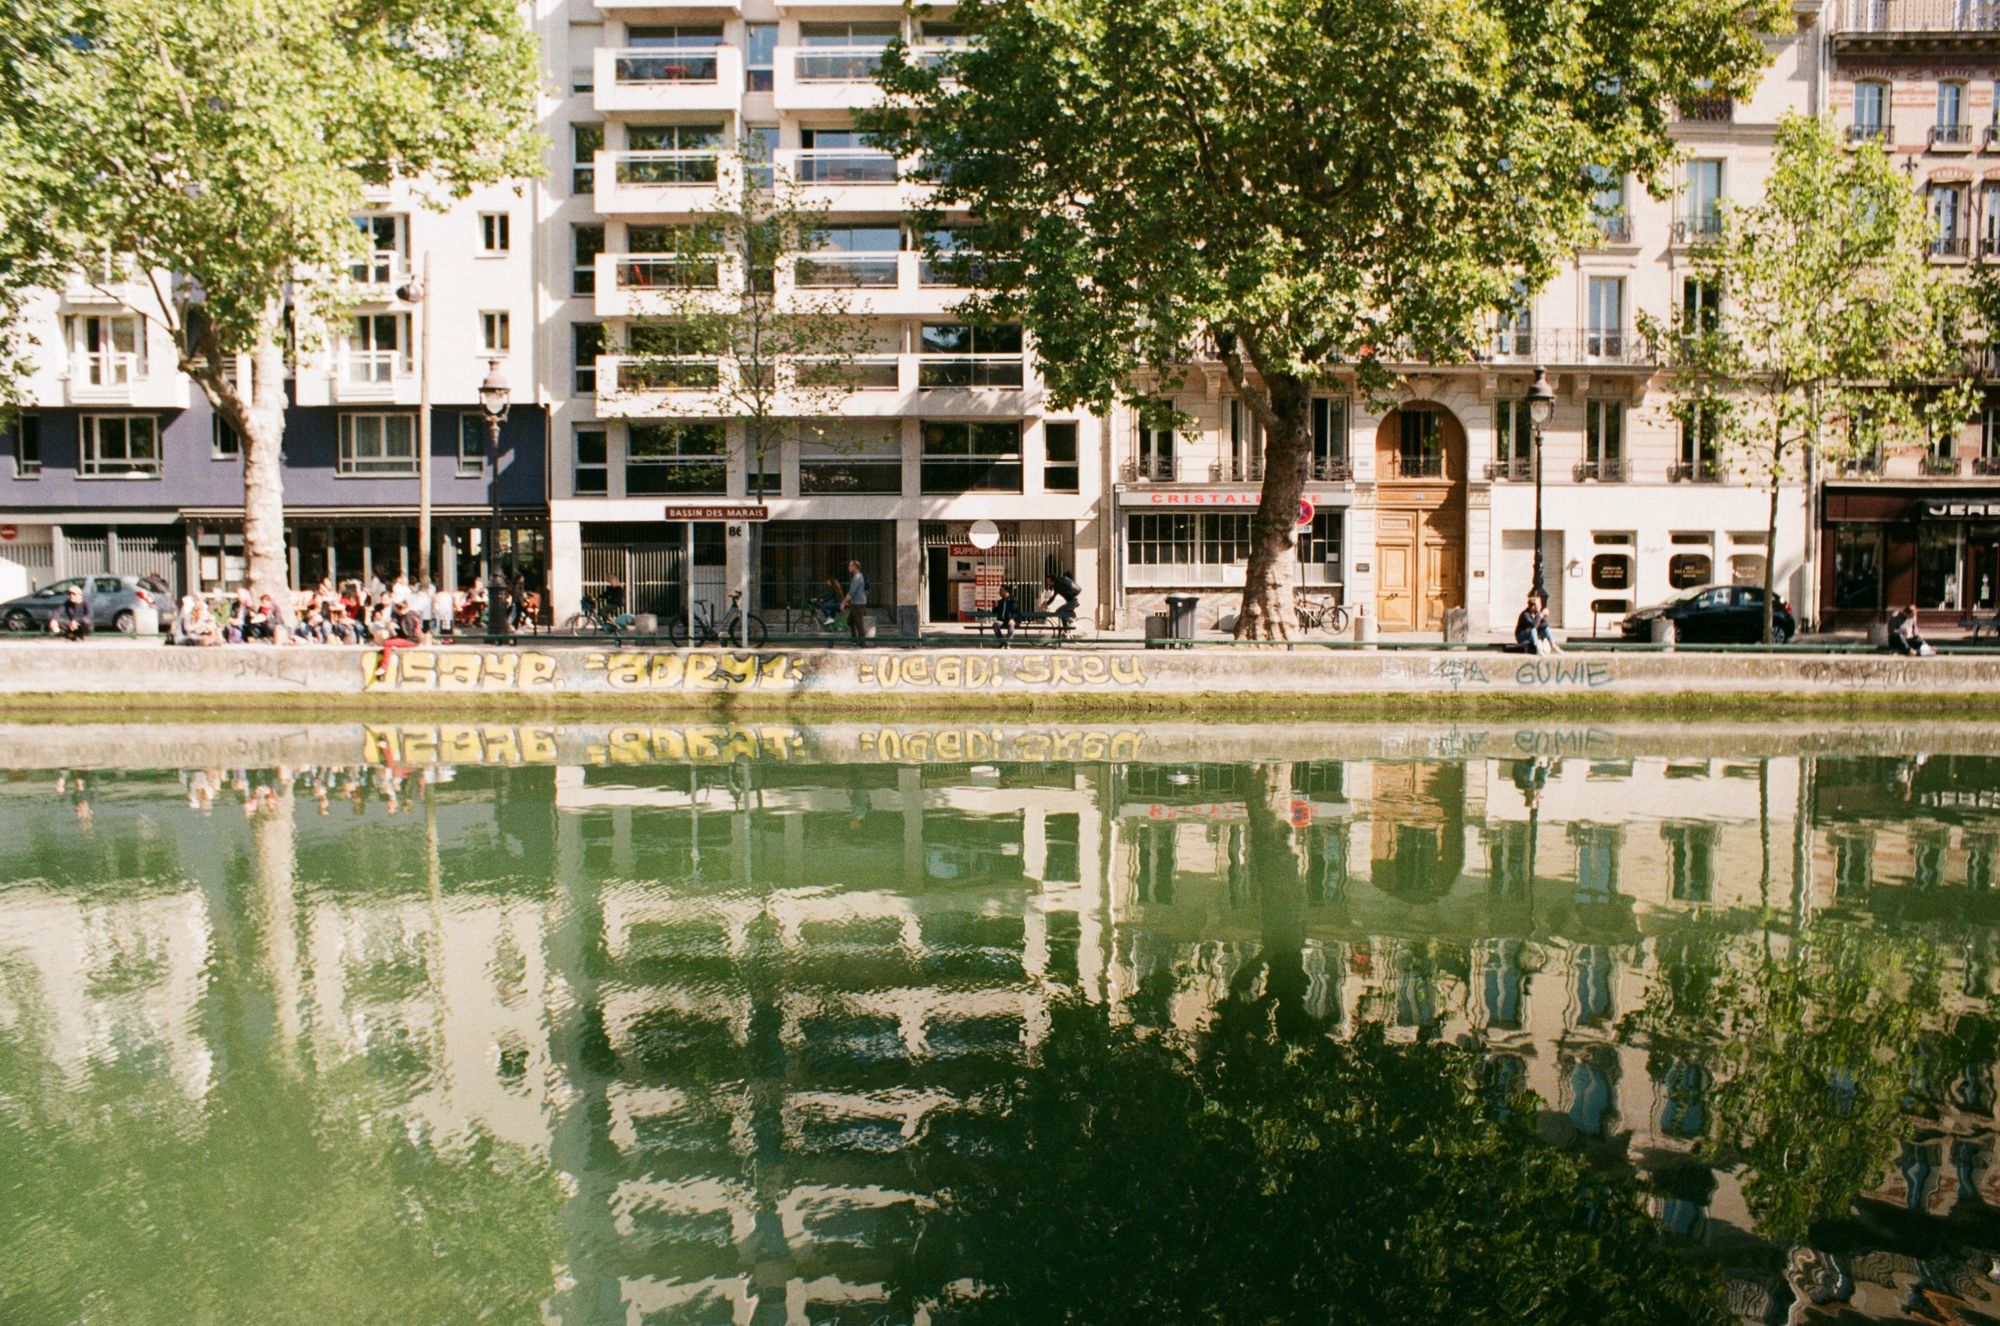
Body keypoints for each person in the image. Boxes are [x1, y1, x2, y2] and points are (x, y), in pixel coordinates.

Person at [1509, 590, 1560, 655]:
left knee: (1545, 628)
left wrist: (1544, 616)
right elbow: (1534, 625)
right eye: (1538, 605)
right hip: (1521, 636)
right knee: (1532, 629)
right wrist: (1541, 615)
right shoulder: (1525, 614)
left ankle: (1553, 644)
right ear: (1533, 607)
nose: (1540, 606)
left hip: (1530, 633)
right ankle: (1537, 648)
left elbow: (1545, 624)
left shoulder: (1537, 613)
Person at [840, 559, 870, 646]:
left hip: (858, 604)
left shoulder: (857, 577)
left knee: (859, 623)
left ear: (854, 567)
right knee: (850, 621)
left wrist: (843, 603)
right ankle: (855, 641)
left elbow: (851, 592)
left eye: (850, 566)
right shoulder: (859, 576)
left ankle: (862, 643)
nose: (848, 568)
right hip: (857, 603)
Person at [991, 583, 1023, 647]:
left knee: (1011, 624)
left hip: (1013, 620)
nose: (999, 592)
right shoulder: (1000, 601)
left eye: (1001, 590)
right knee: (995, 624)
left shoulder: (1013, 600)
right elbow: (994, 612)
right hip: (1003, 620)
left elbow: (1015, 611)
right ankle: (1001, 641)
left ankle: (1007, 642)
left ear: (1006, 591)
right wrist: (995, 607)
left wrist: (1012, 619)